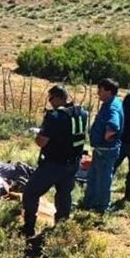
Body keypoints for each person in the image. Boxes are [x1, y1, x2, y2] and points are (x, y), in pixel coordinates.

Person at [21, 85, 88, 239]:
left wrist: (39, 134)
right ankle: (62, 226)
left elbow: (41, 142)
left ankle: (29, 228)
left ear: (58, 97)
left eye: (50, 98)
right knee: (64, 194)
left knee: (31, 192)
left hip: (55, 164)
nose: (50, 102)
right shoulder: (82, 113)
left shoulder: (55, 116)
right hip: (73, 163)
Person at [82, 78, 124, 213]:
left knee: (103, 179)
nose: (98, 93)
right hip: (101, 150)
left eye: (100, 90)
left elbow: (113, 126)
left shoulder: (112, 107)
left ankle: (101, 207)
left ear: (108, 91)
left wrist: (106, 137)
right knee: (93, 176)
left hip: (106, 150)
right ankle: (89, 203)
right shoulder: (111, 103)